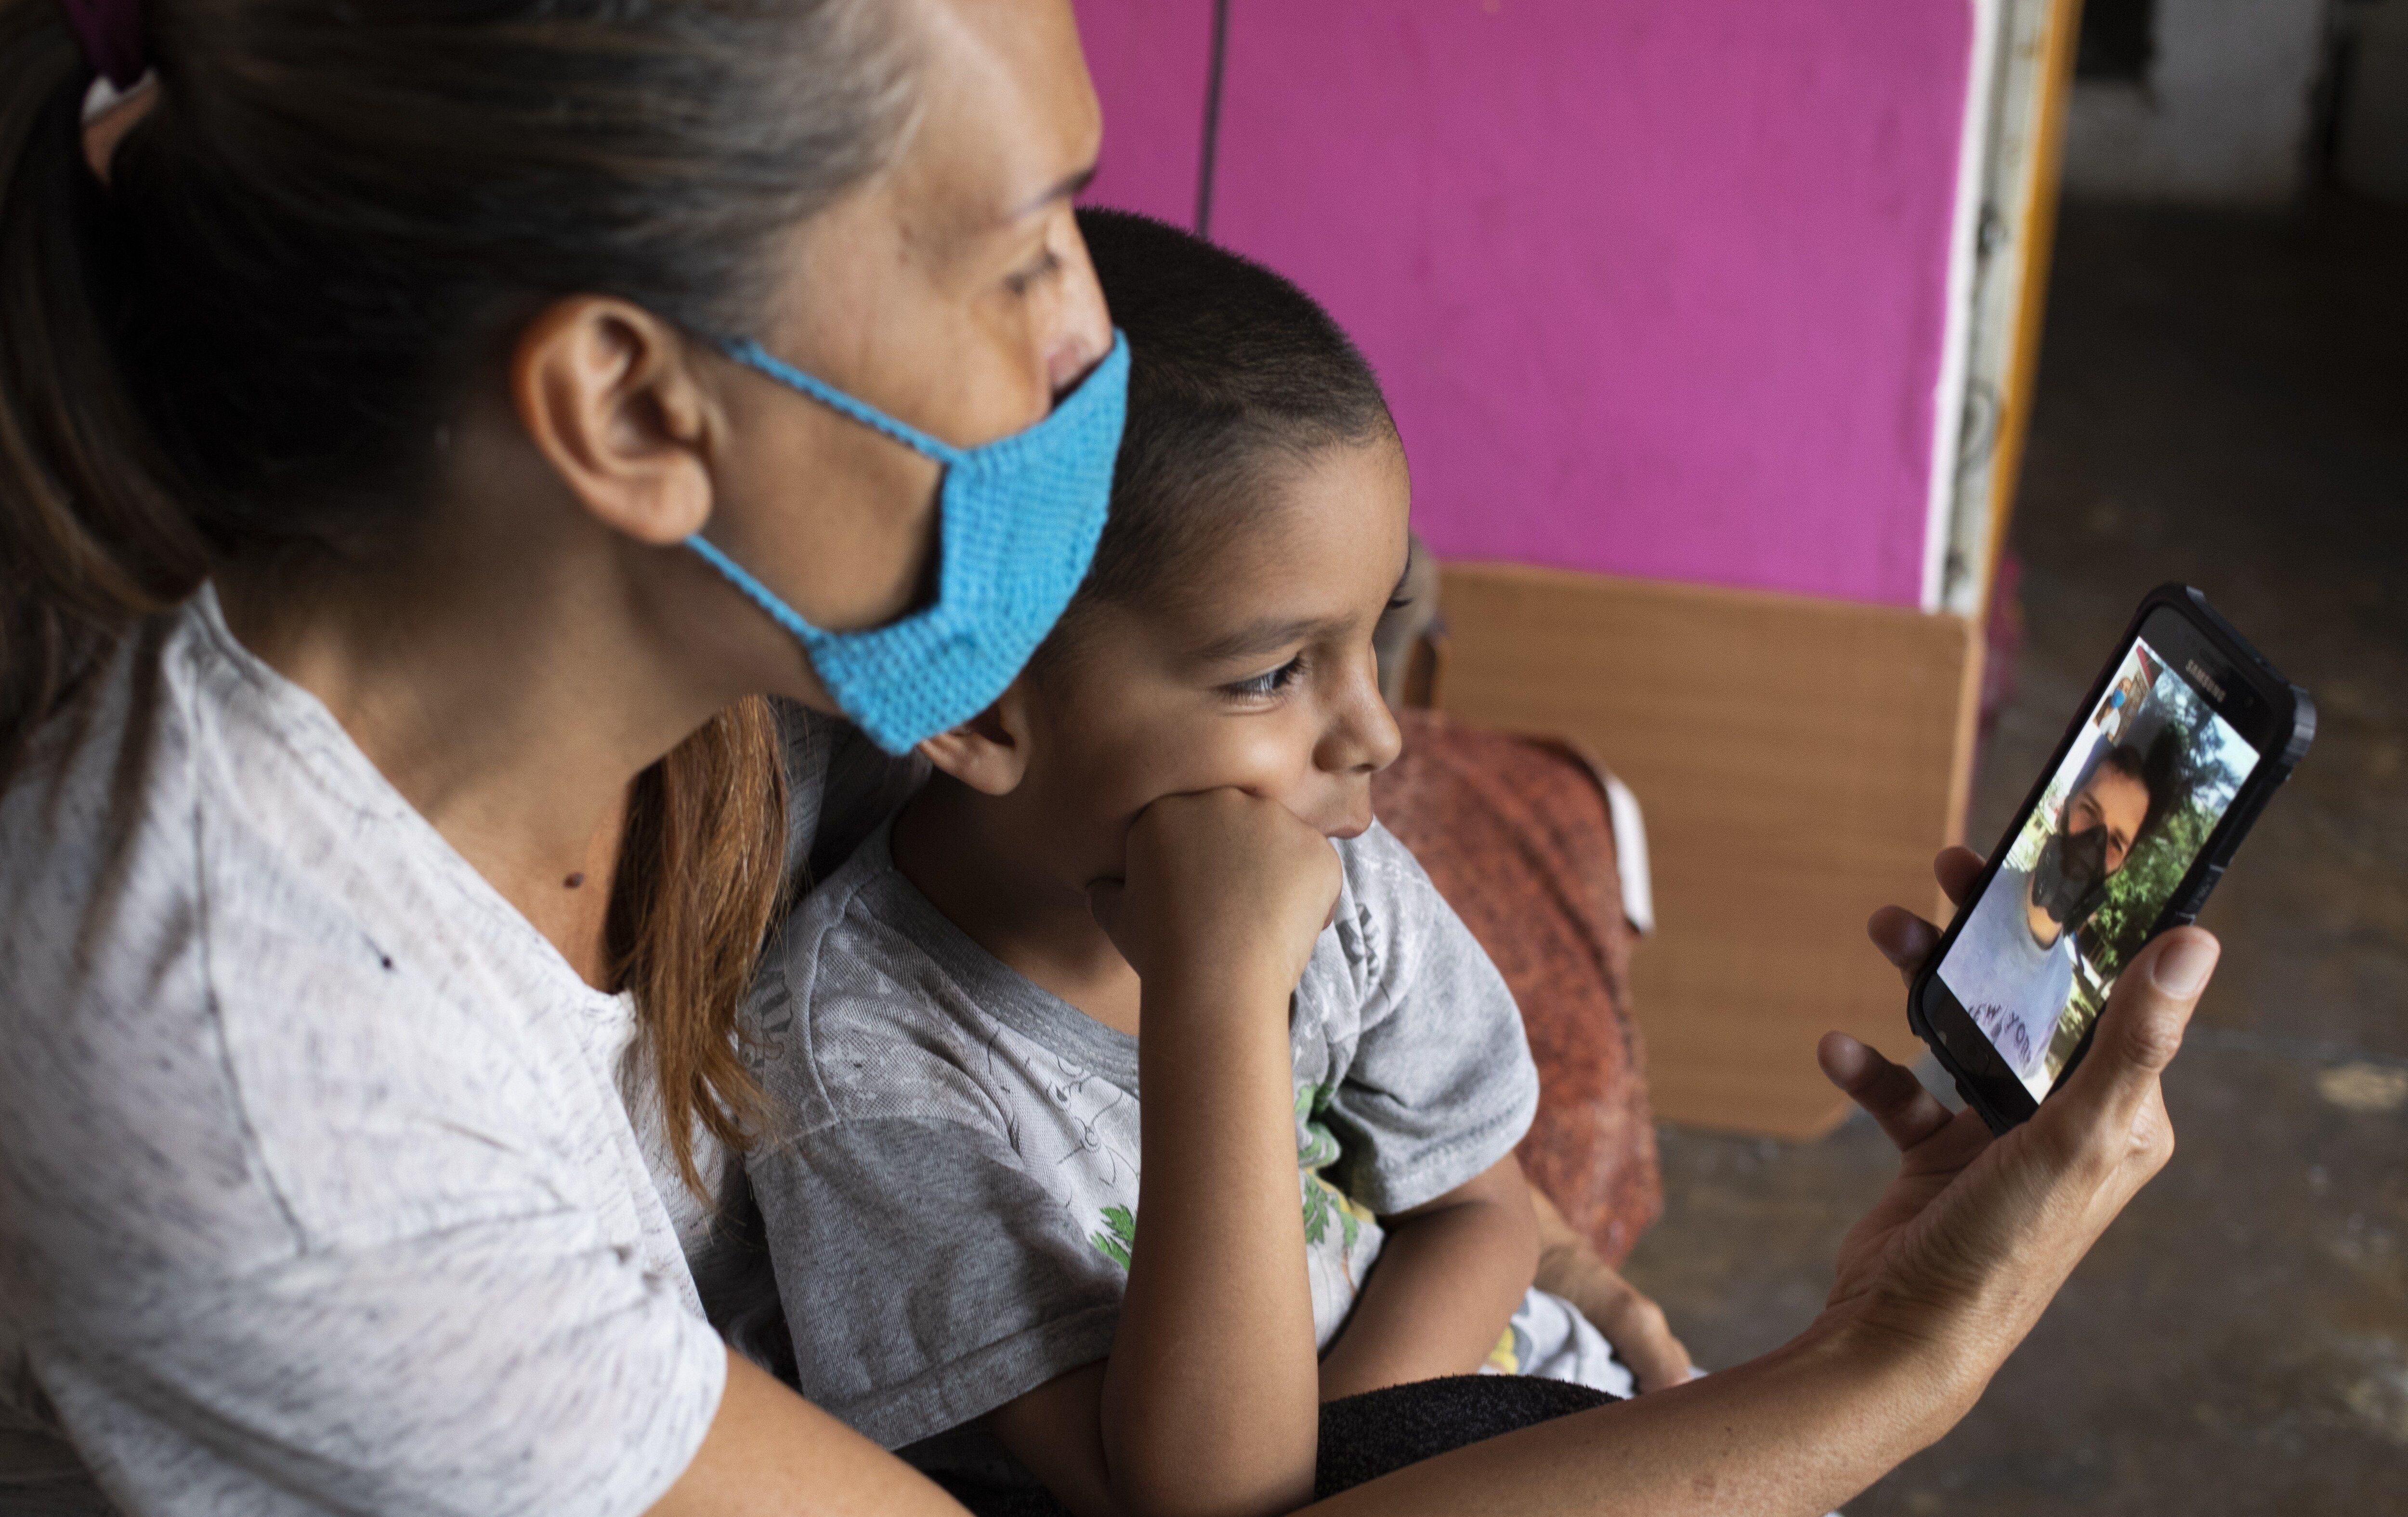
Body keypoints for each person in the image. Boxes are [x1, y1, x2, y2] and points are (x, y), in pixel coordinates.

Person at [0, 1, 2224, 1514]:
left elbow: (1453, 1162)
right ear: (634, 407)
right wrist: (1888, 1360)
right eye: (1017, 257)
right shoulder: (261, 1078)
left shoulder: (774, 653)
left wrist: (1508, 1337)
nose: (1096, 337)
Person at [742, 212, 1668, 1517]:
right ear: (983, 707)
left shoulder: (1345, 882)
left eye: (1375, 634)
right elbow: (1203, 1495)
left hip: (1546, 1417)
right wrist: (1222, 993)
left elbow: (1482, 1209)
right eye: (1273, 673)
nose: (1378, 733)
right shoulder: (869, 1072)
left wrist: (1339, 1451)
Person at [1943, 734, 2177, 1081]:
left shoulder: (2061, 985)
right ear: (2063, 808)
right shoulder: (1970, 898)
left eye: (2115, 842)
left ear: (2122, 866)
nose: (2093, 847)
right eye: (2090, 811)